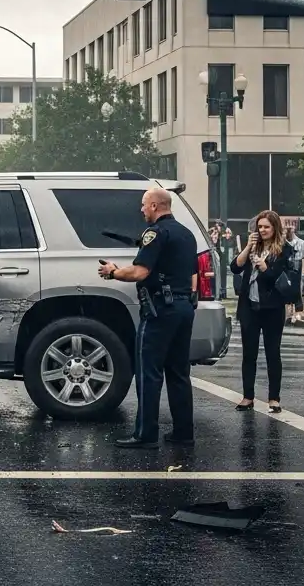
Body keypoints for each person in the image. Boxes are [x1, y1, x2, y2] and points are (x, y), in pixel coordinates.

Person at [98, 188, 197, 449]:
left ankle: (145, 434)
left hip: (159, 310)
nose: (141, 210)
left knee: (148, 372)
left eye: (143, 205)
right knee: (178, 373)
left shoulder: (155, 233)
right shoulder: (187, 234)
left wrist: (113, 272)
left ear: (154, 205)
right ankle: (183, 432)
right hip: (184, 306)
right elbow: (193, 276)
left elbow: (140, 272)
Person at [230, 210, 300, 413]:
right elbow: (235, 267)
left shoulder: (284, 249)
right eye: (259, 227)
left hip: (272, 307)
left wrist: (264, 267)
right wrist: (248, 247)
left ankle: (274, 398)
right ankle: (247, 396)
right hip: (250, 307)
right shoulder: (253, 246)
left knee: (272, 353)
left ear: (274, 228)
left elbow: (277, 278)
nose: (262, 230)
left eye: (266, 227)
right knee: (248, 354)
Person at [284, 223, 304, 324]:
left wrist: (302, 272)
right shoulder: (283, 242)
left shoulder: (301, 242)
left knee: (297, 290)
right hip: (285, 268)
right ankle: (288, 314)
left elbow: (303, 256)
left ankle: (297, 313)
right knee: (286, 289)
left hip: (296, 268)